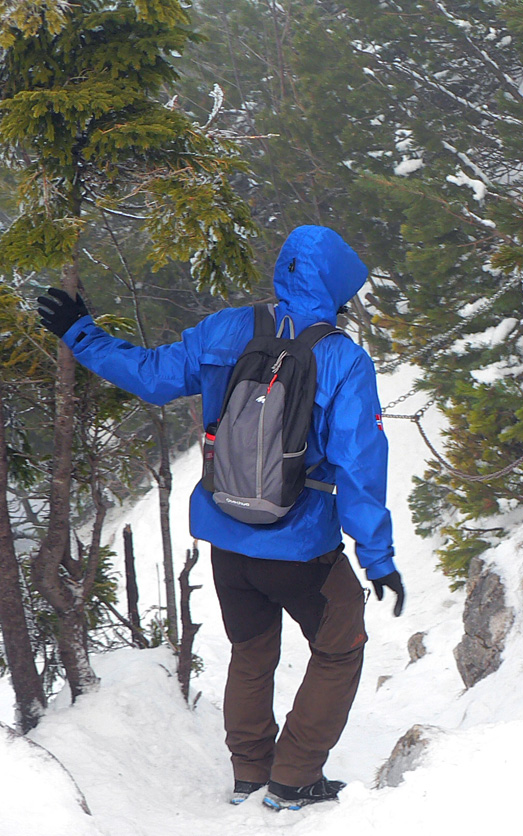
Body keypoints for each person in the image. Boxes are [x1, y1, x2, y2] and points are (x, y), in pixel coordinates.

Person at [37, 225, 406, 808]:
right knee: (340, 643)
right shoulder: (342, 358)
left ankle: (249, 774)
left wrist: (81, 333)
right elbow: (360, 465)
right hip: (300, 544)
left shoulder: (228, 328)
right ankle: (295, 778)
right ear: (338, 284)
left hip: (227, 536)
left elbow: (151, 376)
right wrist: (377, 558)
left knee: (252, 652)